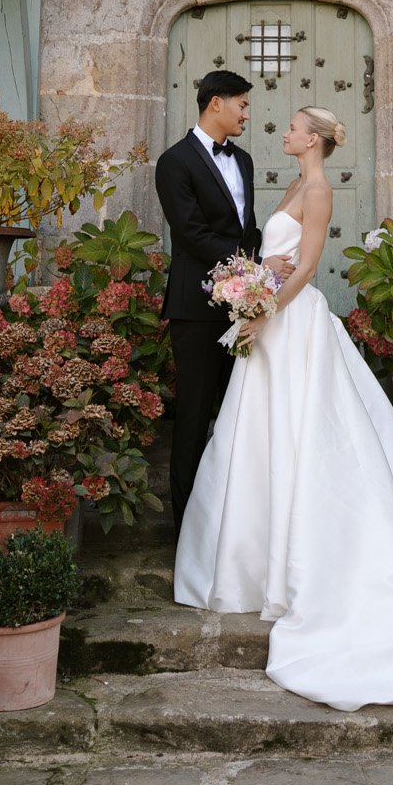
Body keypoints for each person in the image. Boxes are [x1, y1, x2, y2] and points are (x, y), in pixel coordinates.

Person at [174, 105, 393, 715]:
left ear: (312, 138)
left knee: (308, 434)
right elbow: (278, 256)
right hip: (273, 322)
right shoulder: (292, 184)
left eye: (290, 126)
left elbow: (306, 270)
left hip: (293, 324)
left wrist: (263, 308)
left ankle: (306, 568)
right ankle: (250, 563)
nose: (280, 131)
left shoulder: (321, 189)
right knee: (259, 436)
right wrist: (256, 277)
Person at [154, 69, 268, 535]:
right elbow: (191, 233)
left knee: (241, 415)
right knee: (194, 418)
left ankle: (233, 531)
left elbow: (247, 227)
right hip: (196, 309)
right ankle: (187, 537)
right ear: (215, 103)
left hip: (243, 310)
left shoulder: (243, 161)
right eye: (241, 104)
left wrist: (262, 275)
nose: (246, 113)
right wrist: (247, 269)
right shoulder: (174, 162)